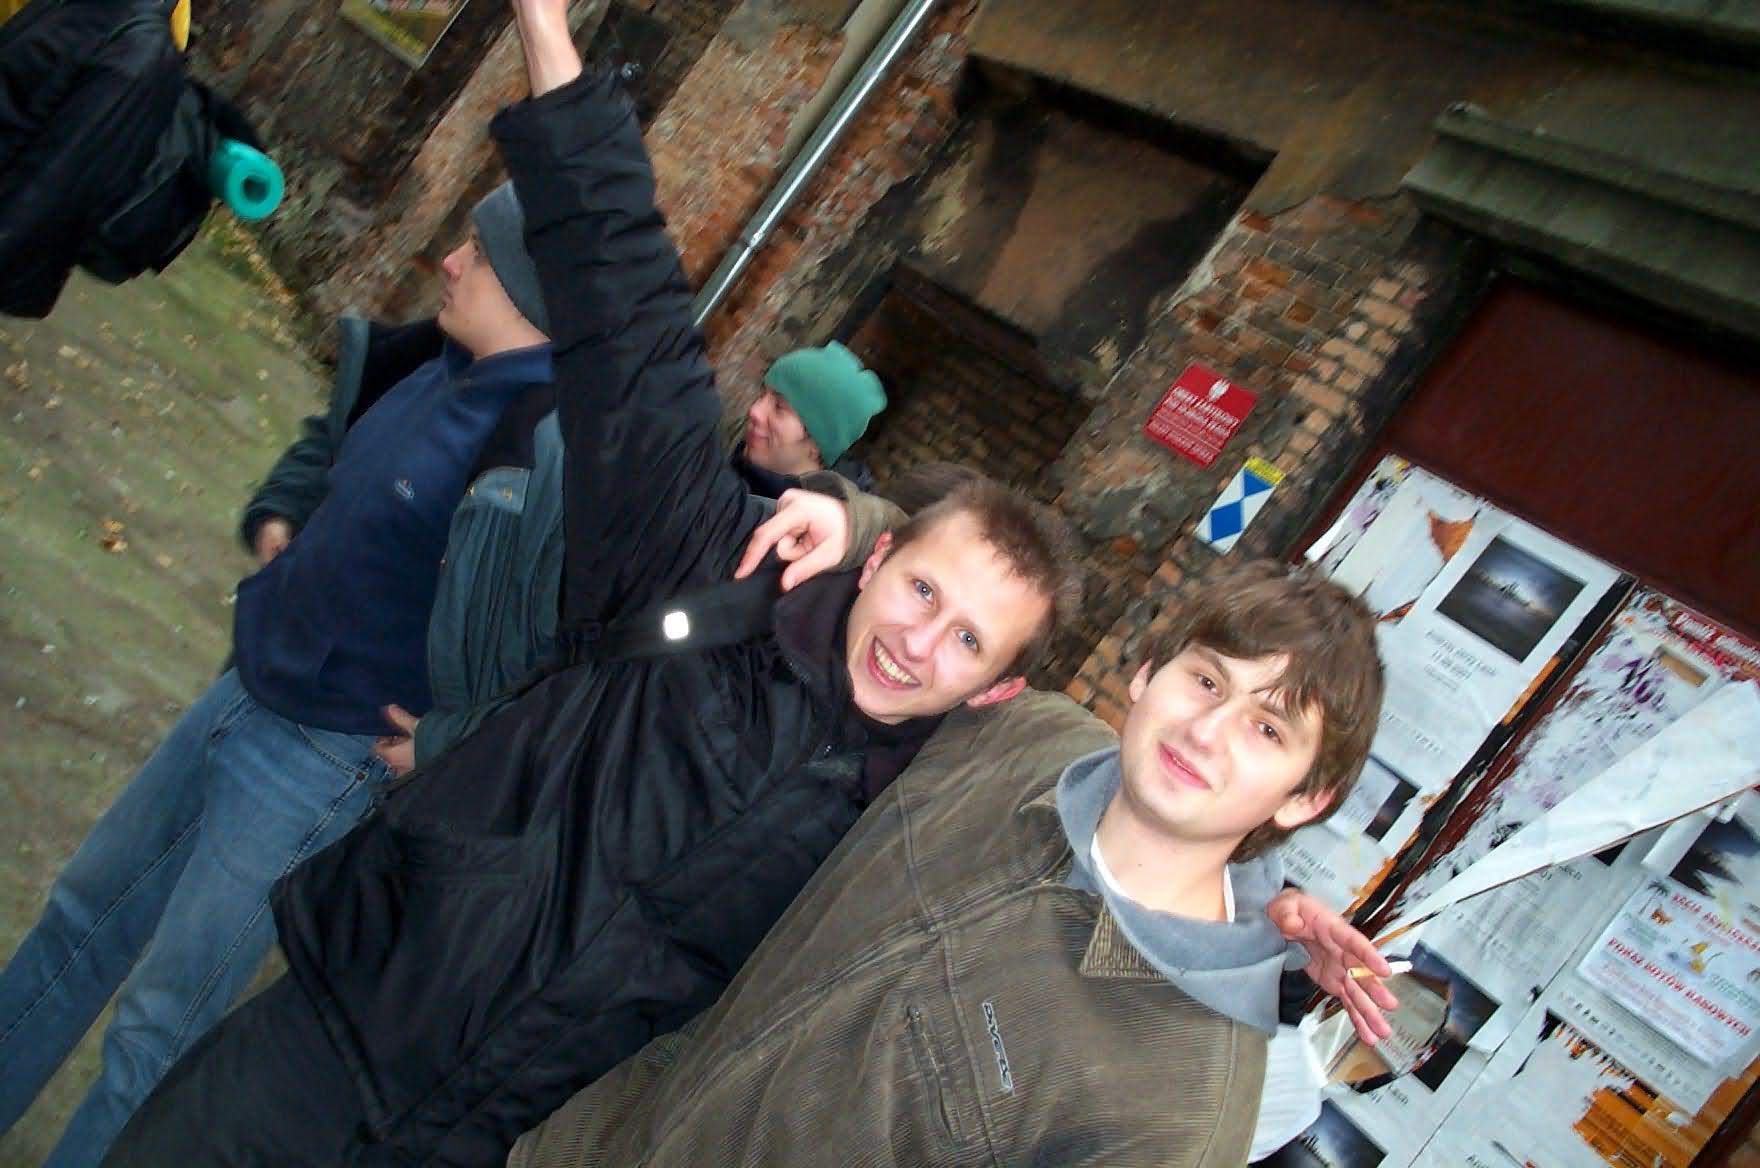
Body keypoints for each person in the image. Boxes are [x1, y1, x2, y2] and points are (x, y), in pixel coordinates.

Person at [104, 7, 1083, 1163]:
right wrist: (545, 34)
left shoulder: (908, 815)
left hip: (483, 1138)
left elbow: (1115, 819)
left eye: (968, 641)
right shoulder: (707, 560)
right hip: (328, 1034)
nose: (920, 643)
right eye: (922, 592)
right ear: (877, 558)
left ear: (993, 692)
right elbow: (632, 314)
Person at [0, 185, 555, 1164]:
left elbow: (564, 652)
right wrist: (283, 513)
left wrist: (448, 739)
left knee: (157, 1034)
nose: (451, 260)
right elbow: (332, 440)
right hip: (247, 685)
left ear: (528, 288)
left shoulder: (544, 458)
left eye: (477, 250)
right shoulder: (434, 357)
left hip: (319, 761)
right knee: (79, 920)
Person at [506, 554, 1391, 1167]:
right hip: (585, 1142)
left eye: (1267, 729)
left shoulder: (1183, 1104)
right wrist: (853, 519)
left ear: (1304, 798)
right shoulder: (1023, 732)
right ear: (1147, 671)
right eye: (1206, 680)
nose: (1207, 731)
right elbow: (921, 599)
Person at [731, 340, 886, 495]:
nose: (755, 411)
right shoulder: (734, 475)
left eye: (779, 407)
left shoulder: (793, 511)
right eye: (762, 395)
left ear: (816, 445)